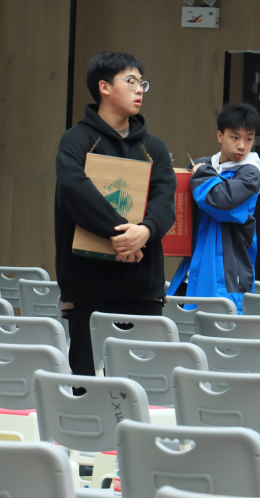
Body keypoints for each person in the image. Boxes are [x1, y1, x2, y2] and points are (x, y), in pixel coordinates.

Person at [54, 51, 176, 377]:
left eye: (142, 83)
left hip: (143, 288)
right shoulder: (76, 141)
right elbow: (74, 191)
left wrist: (145, 231)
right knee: (88, 384)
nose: (139, 90)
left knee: (143, 386)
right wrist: (123, 233)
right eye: (131, 81)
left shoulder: (154, 148)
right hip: (88, 286)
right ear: (104, 87)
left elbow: (165, 201)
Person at [169, 103, 260, 313]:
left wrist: (201, 174)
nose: (242, 146)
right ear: (220, 136)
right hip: (193, 266)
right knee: (181, 323)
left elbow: (222, 201)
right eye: (235, 137)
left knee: (222, 326)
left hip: (228, 269)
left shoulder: (252, 173)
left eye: (248, 139)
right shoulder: (204, 165)